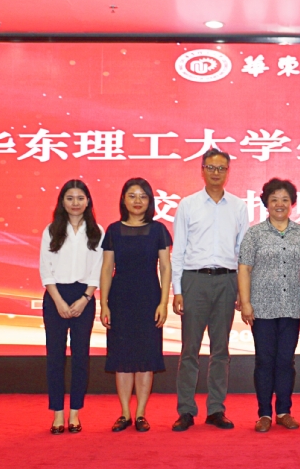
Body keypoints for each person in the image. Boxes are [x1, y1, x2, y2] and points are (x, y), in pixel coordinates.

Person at [170, 149, 249, 432]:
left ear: (228, 172)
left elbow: (242, 253)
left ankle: (216, 409)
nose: (216, 173)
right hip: (195, 281)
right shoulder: (188, 205)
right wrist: (178, 290)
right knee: (189, 349)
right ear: (202, 170)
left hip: (227, 281)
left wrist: (242, 290)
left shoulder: (238, 207)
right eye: (211, 167)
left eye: (221, 168)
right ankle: (186, 410)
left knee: (221, 349)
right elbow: (178, 250)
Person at [238, 178, 300, 433]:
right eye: (274, 199)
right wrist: (246, 303)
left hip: (291, 306)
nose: (279, 204)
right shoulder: (254, 234)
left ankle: (283, 411)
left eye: (284, 199)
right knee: (264, 360)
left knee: (285, 361)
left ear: (291, 203)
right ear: (266, 203)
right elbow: (244, 269)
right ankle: (263, 414)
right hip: (261, 308)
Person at [100, 178, 172, 432]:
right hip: (120, 300)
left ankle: (141, 414)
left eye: (143, 196)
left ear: (150, 201)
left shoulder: (158, 230)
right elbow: (107, 268)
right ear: (123, 199)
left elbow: (165, 268)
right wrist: (103, 304)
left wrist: (164, 302)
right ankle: (124, 413)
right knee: (122, 358)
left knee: (145, 358)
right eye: (132, 195)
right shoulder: (113, 230)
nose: (137, 201)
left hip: (149, 298)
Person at [39, 180, 103, 434]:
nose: (75, 203)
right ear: (62, 202)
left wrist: (85, 298)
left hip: (83, 297)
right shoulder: (51, 230)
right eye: (70, 198)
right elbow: (45, 269)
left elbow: (98, 269)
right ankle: (57, 414)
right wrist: (58, 301)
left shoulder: (96, 231)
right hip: (55, 296)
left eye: (80, 198)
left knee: (80, 358)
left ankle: (75, 413)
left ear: (88, 201)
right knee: (55, 358)